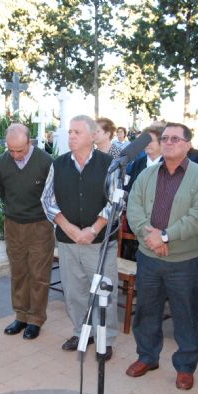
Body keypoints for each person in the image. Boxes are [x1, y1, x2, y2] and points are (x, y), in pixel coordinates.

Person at [125, 122, 198, 390]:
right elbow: (134, 208)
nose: (169, 142)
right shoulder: (148, 174)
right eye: (165, 138)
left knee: (185, 314)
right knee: (146, 312)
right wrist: (150, 237)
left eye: (176, 138)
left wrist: (164, 236)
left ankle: (185, 366)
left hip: (184, 262)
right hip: (149, 258)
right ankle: (147, 356)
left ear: (188, 144)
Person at [41, 115, 119, 361]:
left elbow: (116, 201)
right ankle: (80, 331)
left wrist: (93, 229)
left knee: (104, 292)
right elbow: (47, 200)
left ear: (93, 136)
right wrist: (70, 228)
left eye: (77, 132)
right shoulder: (59, 163)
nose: (71, 136)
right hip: (68, 240)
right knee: (74, 290)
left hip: (100, 241)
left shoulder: (111, 164)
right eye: (70, 132)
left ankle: (105, 337)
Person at [0, 124, 55, 340]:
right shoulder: (2, 163)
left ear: (30, 143)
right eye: (11, 150)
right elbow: (2, 190)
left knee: (39, 274)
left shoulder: (46, 162)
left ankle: (36, 319)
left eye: (19, 150)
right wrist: (13, 209)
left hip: (40, 225)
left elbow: (52, 194)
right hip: (13, 224)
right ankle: (20, 315)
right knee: (18, 271)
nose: (15, 155)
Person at [124, 125, 164, 193]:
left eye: (151, 141)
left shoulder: (169, 164)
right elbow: (130, 188)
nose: (147, 144)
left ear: (161, 142)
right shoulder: (137, 163)